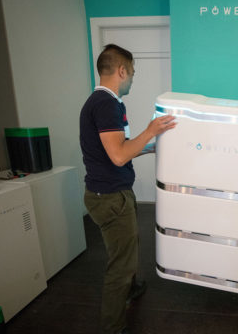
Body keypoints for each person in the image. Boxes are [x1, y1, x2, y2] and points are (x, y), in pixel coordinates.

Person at [79, 43, 177, 334]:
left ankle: (132, 289)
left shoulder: (105, 103)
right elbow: (119, 156)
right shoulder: (105, 104)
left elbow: (121, 149)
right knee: (120, 264)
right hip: (109, 196)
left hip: (114, 191)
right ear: (121, 71)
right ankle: (113, 327)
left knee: (128, 247)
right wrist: (151, 130)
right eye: (132, 73)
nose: (133, 79)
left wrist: (152, 147)